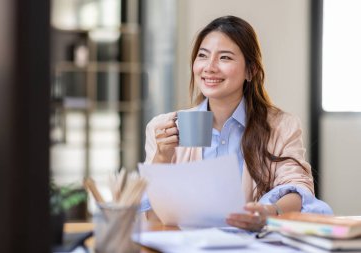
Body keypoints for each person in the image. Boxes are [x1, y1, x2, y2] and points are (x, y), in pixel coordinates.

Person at [142, 15, 332, 231]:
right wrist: (162, 157)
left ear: (251, 70)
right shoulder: (162, 127)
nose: (209, 67)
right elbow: (153, 217)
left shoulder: (281, 125)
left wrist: (270, 212)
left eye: (224, 58)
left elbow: (298, 188)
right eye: (203, 56)